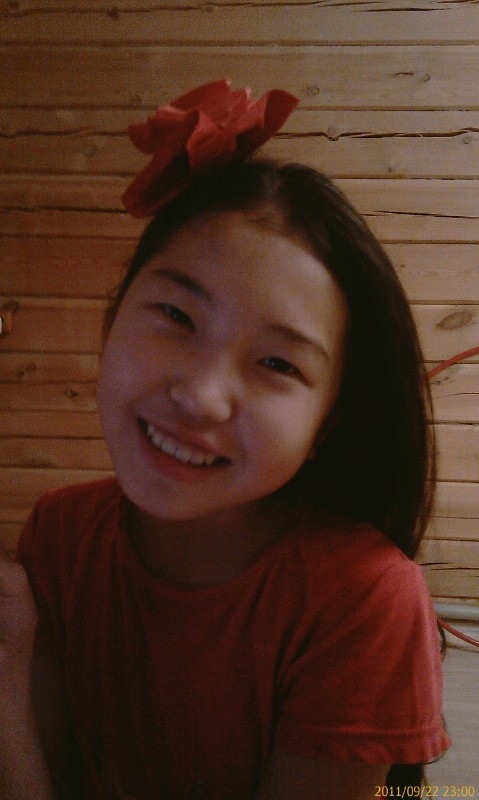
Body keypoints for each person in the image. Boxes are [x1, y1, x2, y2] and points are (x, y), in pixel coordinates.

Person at [0, 81, 449, 800]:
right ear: (113, 317)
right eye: (176, 315)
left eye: (277, 363)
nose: (200, 396)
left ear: (328, 421)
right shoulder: (60, 534)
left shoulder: (366, 598)